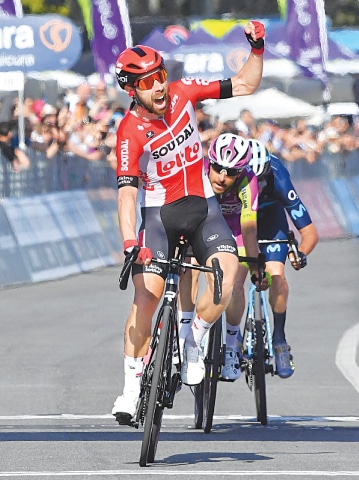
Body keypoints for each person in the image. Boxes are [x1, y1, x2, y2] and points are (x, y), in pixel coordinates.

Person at [111, 20, 266, 425]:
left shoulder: (183, 94)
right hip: (159, 215)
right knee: (147, 296)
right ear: (132, 90)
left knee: (227, 274)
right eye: (147, 83)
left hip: (203, 209)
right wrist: (130, 241)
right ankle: (130, 389)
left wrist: (258, 48)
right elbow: (127, 193)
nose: (159, 87)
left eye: (160, 76)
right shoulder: (130, 131)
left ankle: (192, 341)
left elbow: (245, 85)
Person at [178, 133, 269, 382]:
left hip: (233, 229)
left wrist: (253, 266)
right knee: (190, 266)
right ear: (211, 162)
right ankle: (184, 331)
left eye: (231, 172)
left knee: (236, 283)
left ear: (240, 172)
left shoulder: (247, 180)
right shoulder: (198, 169)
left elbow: (249, 225)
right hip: (201, 223)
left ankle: (230, 347)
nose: (222, 177)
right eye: (218, 168)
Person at [248, 138, 319, 378]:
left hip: (270, 220)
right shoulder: (230, 176)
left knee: (276, 277)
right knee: (234, 278)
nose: (255, 185)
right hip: (238, 218)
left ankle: (279, 339)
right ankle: (232, 337)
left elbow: (309, 233)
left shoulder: (279, 178)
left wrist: (300, 254)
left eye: (260, 180)